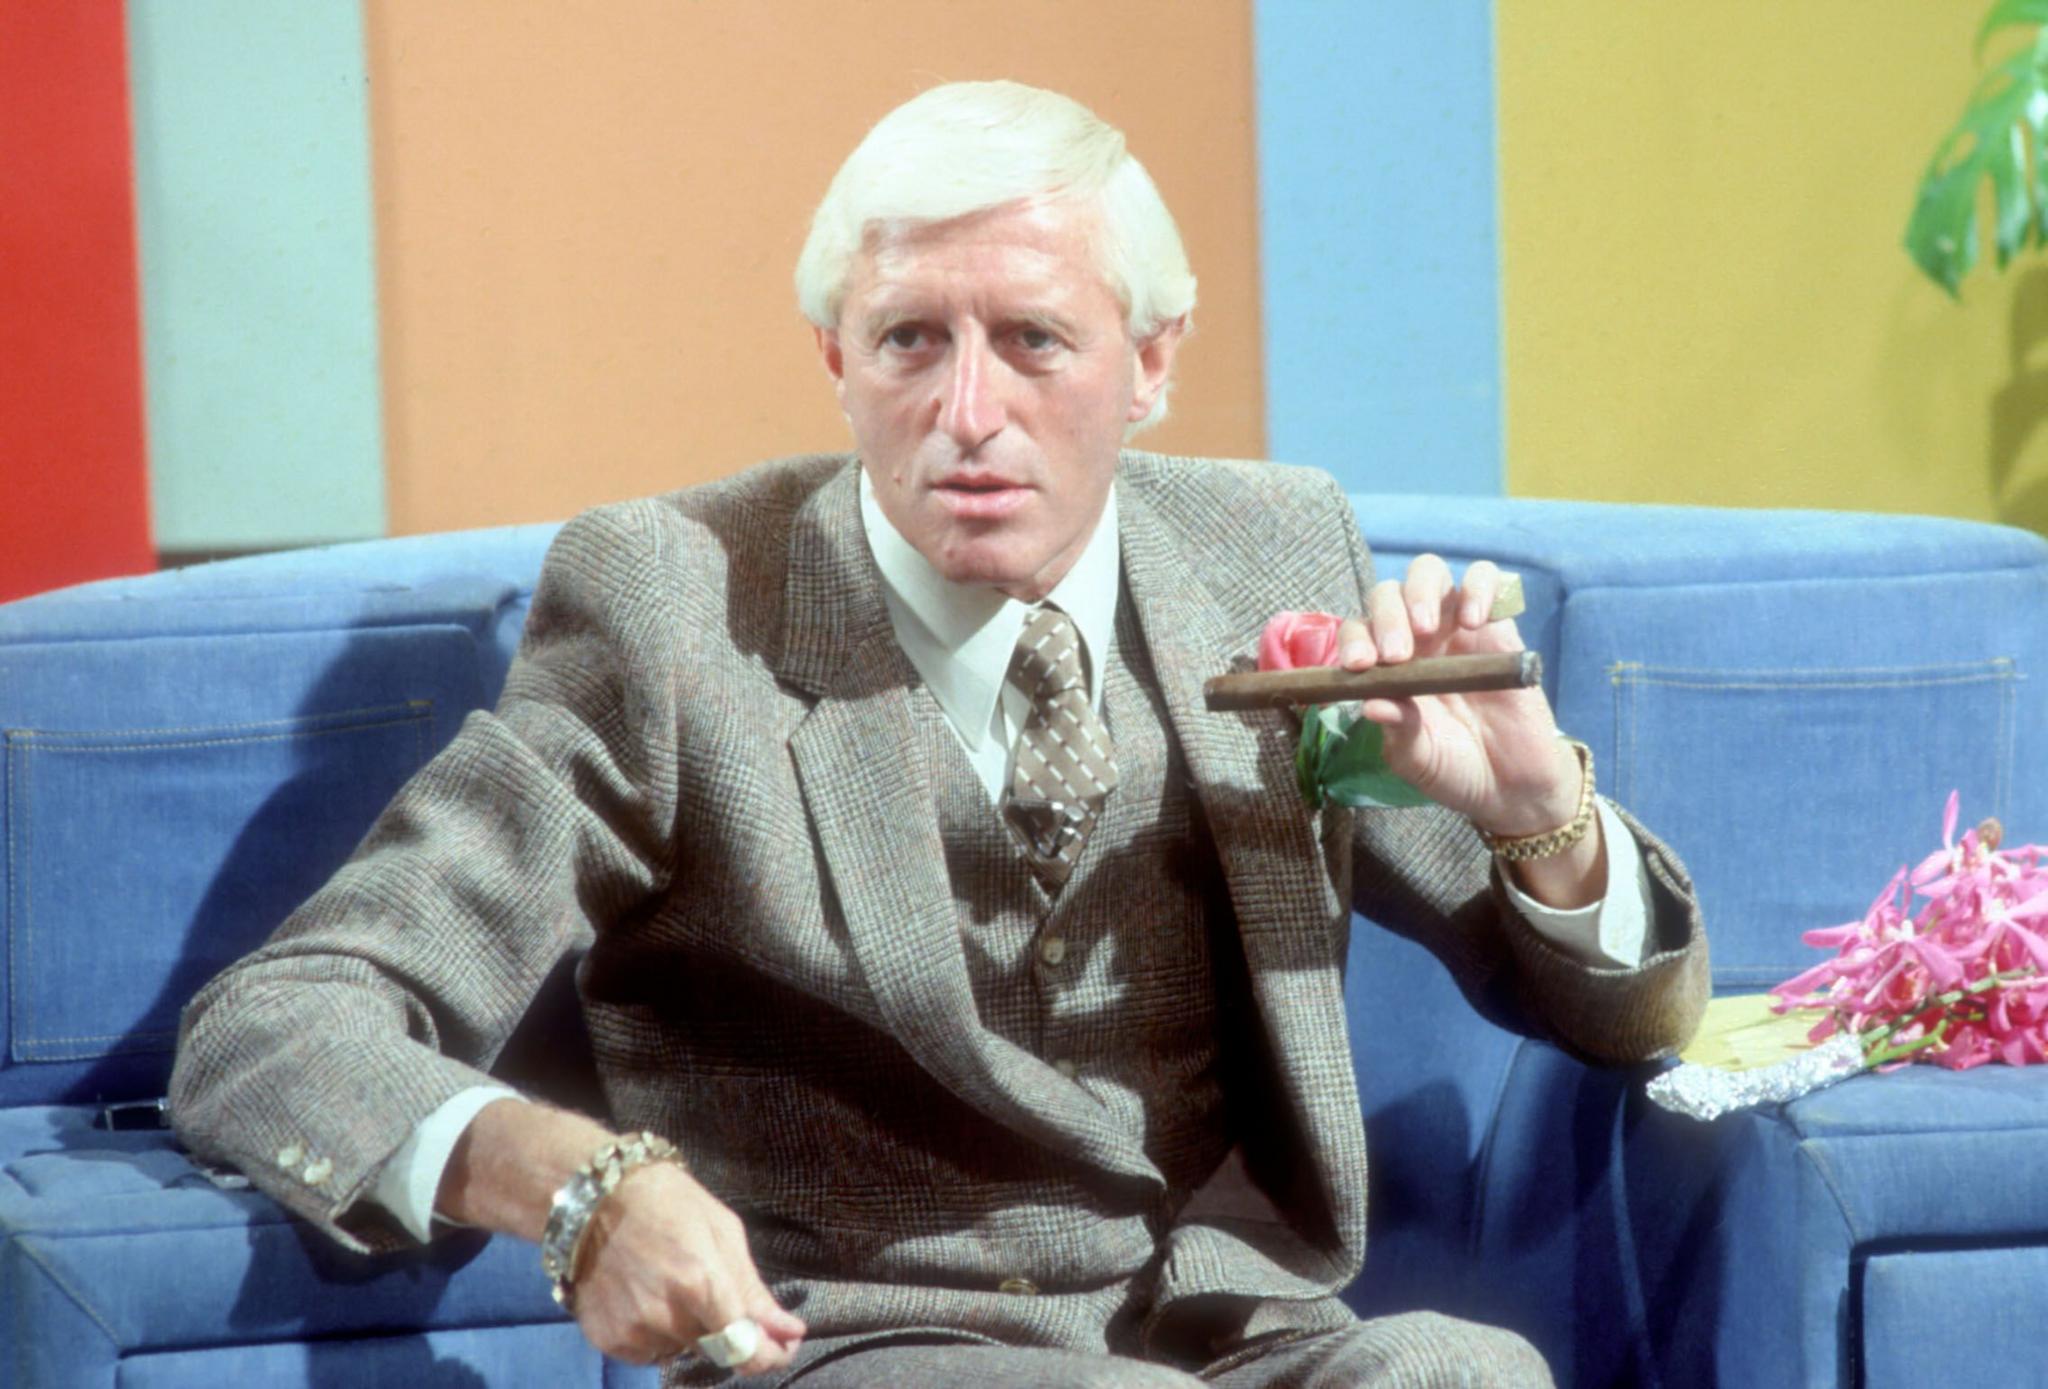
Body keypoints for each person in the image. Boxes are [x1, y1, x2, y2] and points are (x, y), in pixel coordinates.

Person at [171, 81, 1707, 1388]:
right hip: (856, 1344)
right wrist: (576, 1180)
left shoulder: (1269, 555)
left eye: (1035, 341)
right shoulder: (669, 606)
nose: (970, 409)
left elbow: (1632, 1021)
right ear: (835, 359)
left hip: (1231, 1326)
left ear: (1153, 362)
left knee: (1473, 1372)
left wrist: (1534, 810)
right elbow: (281, 1019)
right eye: (911, 342)